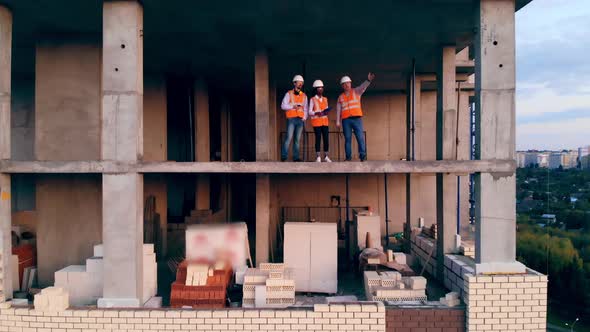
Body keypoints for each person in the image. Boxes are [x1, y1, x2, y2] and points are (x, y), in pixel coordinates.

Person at [336, 72, 375, 161]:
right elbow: (338, 110)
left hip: (357, 118)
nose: (346, 85)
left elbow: (363, 87)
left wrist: (368, 80)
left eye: (348, 83)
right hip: (346, 120)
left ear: (350, 83)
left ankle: (362, 156)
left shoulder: (356, 91)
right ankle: (348, 157)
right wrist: (338, 121)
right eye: (344, 84)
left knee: (360, 137)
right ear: (342, 86)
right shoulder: (340, 97)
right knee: (348, 139)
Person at [280, 75, 308, 162]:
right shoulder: (288, 94)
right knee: (289, 137)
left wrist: (304, 118)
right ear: (294, 83)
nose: (300, 84)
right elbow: (283, 106)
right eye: (298, 82)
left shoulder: (304, 96)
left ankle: (296, 158)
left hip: (300, 120)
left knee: (297, 140)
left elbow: (306, 109)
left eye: (301, 83)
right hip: (291, 119)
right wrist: (293, 106)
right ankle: (284, 156)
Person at [308, 80, 332, 162]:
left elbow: (326, 109)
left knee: (326, 139)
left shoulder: (325, 99)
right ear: (315, 89)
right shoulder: (312, 99)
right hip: (316, 122)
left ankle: (326, 156)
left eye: (322, 88)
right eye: (319, 88)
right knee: (318, 138)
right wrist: (316, 113)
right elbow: (309, 112)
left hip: (325, 122)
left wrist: (327, 111)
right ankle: (318, 157)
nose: (321, 89)